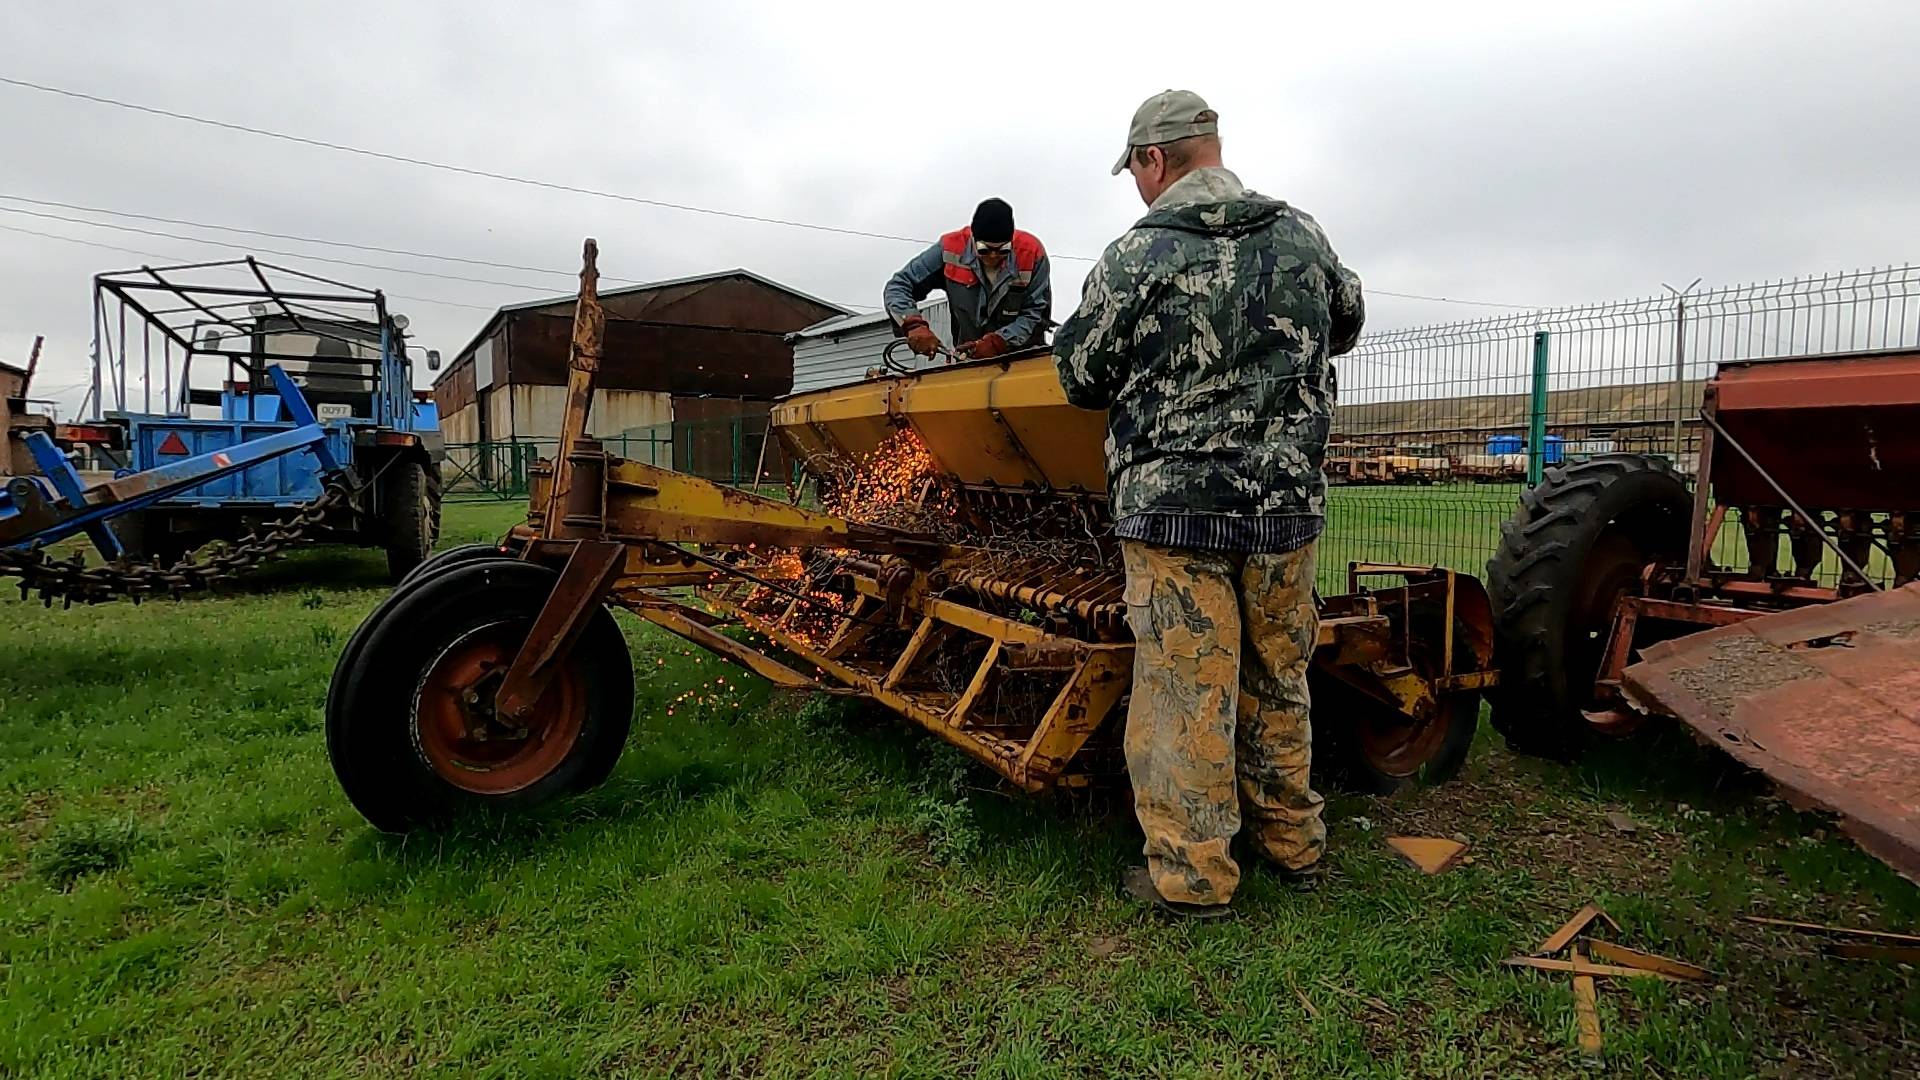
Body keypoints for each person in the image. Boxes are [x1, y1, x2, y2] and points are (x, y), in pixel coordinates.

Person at [1051, 90, 1366, 918]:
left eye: (1136, 171)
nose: (1136, 186)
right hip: (1286, 510)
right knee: (1280, 675)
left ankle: (1194, 878)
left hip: (1175, 513)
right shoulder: (1304, 237)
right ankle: (1293, 845)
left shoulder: (1135, 256)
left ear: (1156, 160)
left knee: (1190, 693)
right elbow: (1348, 318)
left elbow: (1078, 376)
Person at [884, 198, 1051, 361]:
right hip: (969, 361)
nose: (993, 256)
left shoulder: (1032, 254)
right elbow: (899, 286)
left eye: (1003, 250)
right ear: (973, 238)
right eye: (984, 249)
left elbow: (1036, 313)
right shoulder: (950, 249)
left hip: (1025, 361)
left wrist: (999, 341)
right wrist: (913, 326)